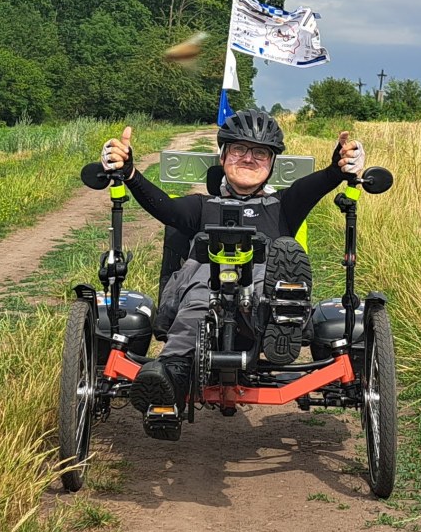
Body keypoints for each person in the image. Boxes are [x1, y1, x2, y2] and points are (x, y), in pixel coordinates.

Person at [99, 108, 365, 439]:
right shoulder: (201, 207)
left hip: (259, 302)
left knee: (269, 267)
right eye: (239, 150)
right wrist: (129, 171)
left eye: (260, 153)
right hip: (200, 298)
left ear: (271, 164)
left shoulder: (283, 206)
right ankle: (172, 376)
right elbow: (164, 207)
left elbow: (320, 181)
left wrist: (339, 165)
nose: (249, 159)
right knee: (202, 280)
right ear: (224, 156)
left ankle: (284, 318)